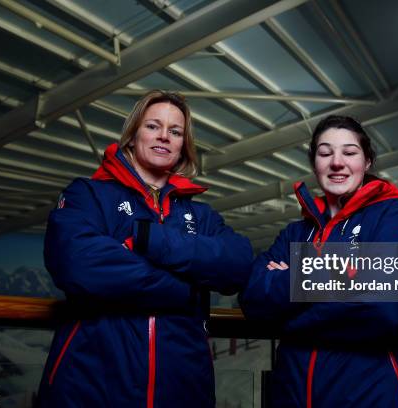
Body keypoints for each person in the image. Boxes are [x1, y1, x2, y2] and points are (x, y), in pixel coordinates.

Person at [37, 90, 253, 407]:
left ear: (183, 146)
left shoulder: (200, 215)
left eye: (175, 131)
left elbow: (240, 262)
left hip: (183, 390)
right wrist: (187, 288)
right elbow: (77, 264)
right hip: (92, 386)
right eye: (153, 126)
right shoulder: (89, 195)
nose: (164, 136)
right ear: (133, 135)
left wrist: (150, 242)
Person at [239, 115, 398, 407]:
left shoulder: (392, 214)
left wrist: (290, 307)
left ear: (367, 161)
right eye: (325, 152)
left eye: (349, 152)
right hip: (295, 395)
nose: (336, 162)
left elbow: (388, 310)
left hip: (373, 396)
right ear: (314, 163)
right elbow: (252, 298)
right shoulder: (296, 232)